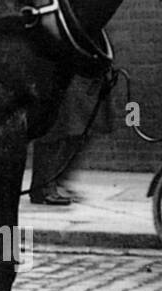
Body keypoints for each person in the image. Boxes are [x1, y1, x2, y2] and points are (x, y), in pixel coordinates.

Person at [29, 73, 116, 206]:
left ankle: (58, 180)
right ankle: (43, 187)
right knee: (55, 130)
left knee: (87, 128)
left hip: (90, 78)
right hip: (67, 77)